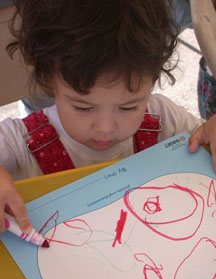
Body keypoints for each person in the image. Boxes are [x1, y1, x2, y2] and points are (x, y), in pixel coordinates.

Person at [1, 0, 216, 236]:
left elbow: (203, 139)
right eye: (82, 108)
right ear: (49, 83)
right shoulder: (22, 143)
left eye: (128, 107)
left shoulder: (162, 118)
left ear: (152, 82)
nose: (105, 128)